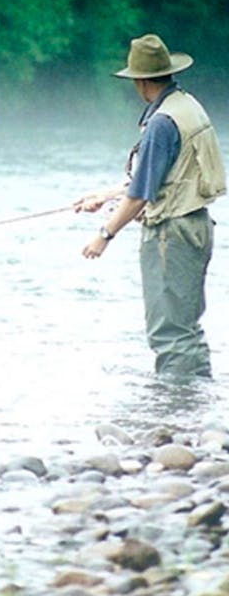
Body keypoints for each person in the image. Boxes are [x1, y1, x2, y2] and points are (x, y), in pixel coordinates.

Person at [75, 33, 226, 378]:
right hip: (196, 225)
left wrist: (104, 234)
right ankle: (191, 402)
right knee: (185, 328)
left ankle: (177, 401)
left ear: (141, 81)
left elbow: (142, 194)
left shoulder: (161, 123)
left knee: (170, 333)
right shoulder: (187, 106)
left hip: (171, 235)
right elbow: (161, 177)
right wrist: (103, 196)